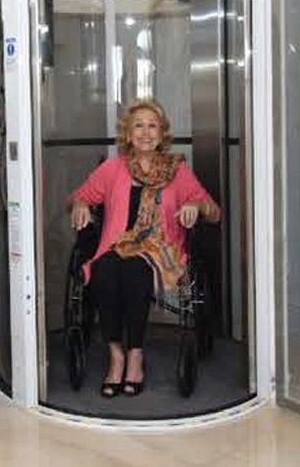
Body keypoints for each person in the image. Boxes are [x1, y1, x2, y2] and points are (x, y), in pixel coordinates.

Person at [69, 98, 220, 398]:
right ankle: (116, 354)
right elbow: (78, 196)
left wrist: (194, 204)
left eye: (153, 126)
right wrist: (80, 204)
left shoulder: (177, 171)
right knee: (104, 269)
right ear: (128, 133)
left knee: (135, 268)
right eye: (138, 126)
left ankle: (135, 355)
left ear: (162, 133)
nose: (146, 132)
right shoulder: (113, 169)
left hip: (161, 249)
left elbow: (214, 211)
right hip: (117, 245)